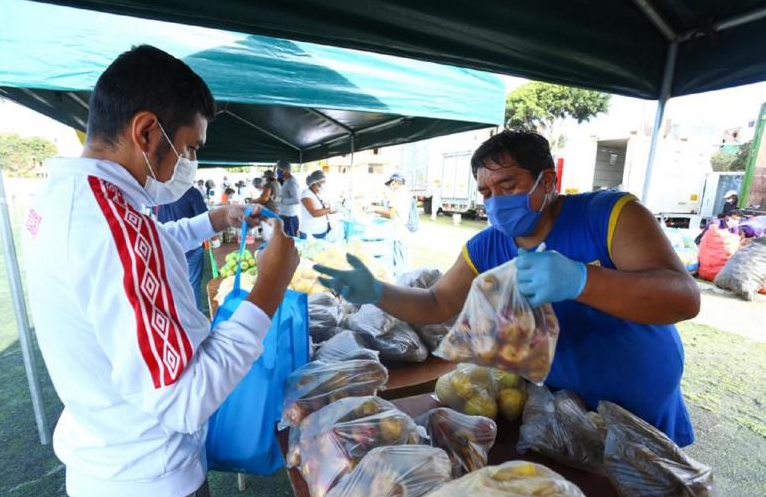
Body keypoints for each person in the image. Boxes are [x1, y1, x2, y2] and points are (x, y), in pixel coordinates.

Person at [22, 45, 299, 497]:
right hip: (147, 480)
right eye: (189, 148)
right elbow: (186, 401)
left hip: (107, 450)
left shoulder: (67, 198)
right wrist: (270, 288)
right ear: (147, 131)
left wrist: (214, 219)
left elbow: (144, 246)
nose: (190, 163)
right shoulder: (115, 229)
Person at [315, 130, 700, 448]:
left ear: (547, 180)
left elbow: (683, 298)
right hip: (561, 408)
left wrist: (582, 279)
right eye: (486, 192)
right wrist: (377, 292)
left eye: (508, 185)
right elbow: (437, 302)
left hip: (640, 405)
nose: (496, 201)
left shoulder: (609, 215)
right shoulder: (488, 245)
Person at [156, 185, 209, 307]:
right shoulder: (191, 192)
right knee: (192, 284)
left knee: (174, 285)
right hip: (191, 247)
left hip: (169, 246)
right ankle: (195, 312)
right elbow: (204, 218)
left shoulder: (159, 193)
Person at [373, 173, 413, 275]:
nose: (390, 188)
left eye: (390, 184)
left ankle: (403, 283)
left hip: (399, 233)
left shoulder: (397, 194)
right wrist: (380, 214)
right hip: (405, 232)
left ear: (395, 182)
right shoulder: (406, 193)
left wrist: (375, 210)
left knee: (400, 266)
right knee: (403, 263)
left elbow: (391, 214)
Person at [300, 170, 334, 239]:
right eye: (323, 182)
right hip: (310, 233)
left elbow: (327, 210)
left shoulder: (320, 193)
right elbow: (314, 213)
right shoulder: (306, 194)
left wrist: (339, 208)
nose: (324, 184)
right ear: (315, 183)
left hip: (322, 231)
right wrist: (330, 209)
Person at [277, 159, 301, 237]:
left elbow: (297, 200)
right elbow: (285, 196)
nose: (277, 171)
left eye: (279, 169)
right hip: (284, 215)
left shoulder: (291, 182)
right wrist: (278, 199)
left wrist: (282, 200)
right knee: (284, 238)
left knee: (289, 239)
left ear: (285, 170)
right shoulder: (286, 181)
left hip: (289, 217)